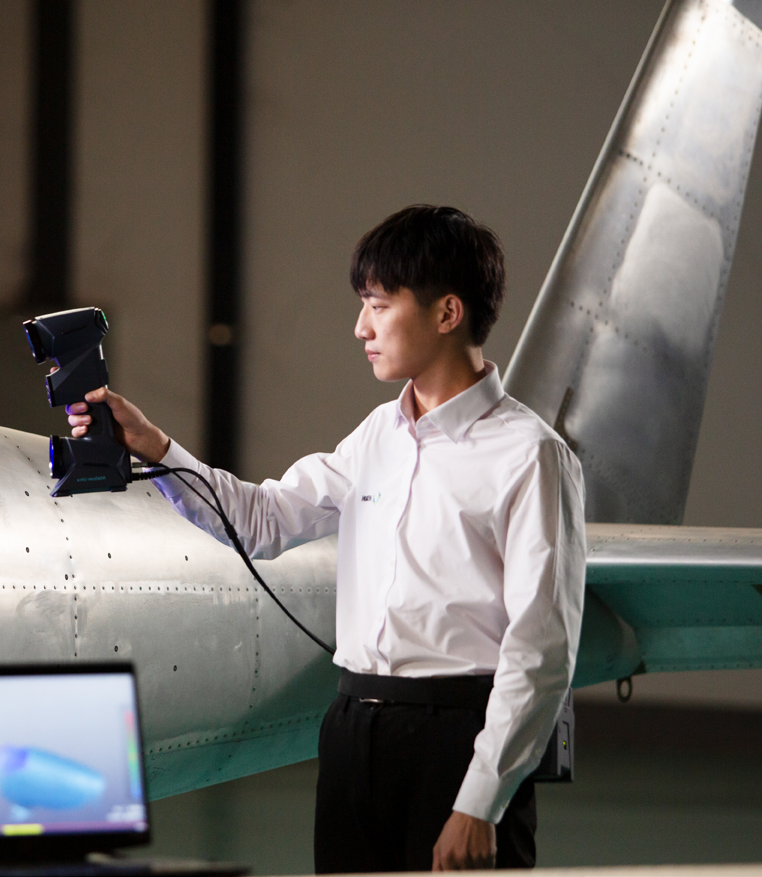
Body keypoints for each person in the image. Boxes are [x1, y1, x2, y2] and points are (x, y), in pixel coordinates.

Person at [65, 205, 585, 872]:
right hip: (353, 732)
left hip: (461, 740)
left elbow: (540, 649)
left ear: (447, 313)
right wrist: (156, 446)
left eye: (378, 305)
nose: (360, 327)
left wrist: (480, 803)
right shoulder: (375, 436)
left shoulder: (530, 455)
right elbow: (260, 520)